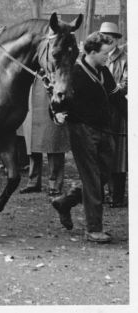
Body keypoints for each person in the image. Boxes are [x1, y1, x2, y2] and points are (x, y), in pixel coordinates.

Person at [51, 32, 126, 243]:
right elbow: (57, 99)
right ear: (92, 52)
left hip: (105, 131)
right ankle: (93, 229)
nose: (107, 56)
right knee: (92, 179)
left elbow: (117, 98)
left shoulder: (103, 71)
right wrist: (56, 114)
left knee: (103, 175)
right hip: (82, 131)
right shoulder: (74, 72)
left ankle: (65, 201)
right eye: (104, 53)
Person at [19, 76, 70, 196]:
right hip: (32, 96)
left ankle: (55, 184)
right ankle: (33, 181)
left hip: (52, 97)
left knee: (53, 142)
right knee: (33, 142)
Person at [100, 22, 128, 208]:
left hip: (118, 110)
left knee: (118, 153)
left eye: (111, 37)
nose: (108, 40)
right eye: (104, 37)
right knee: (100, 152)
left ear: (117, 40)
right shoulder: (97, 57)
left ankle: (116, 195)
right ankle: (100, 194)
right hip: (99, 112)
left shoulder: (126, 59)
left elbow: (126, 83)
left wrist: (112, 90)